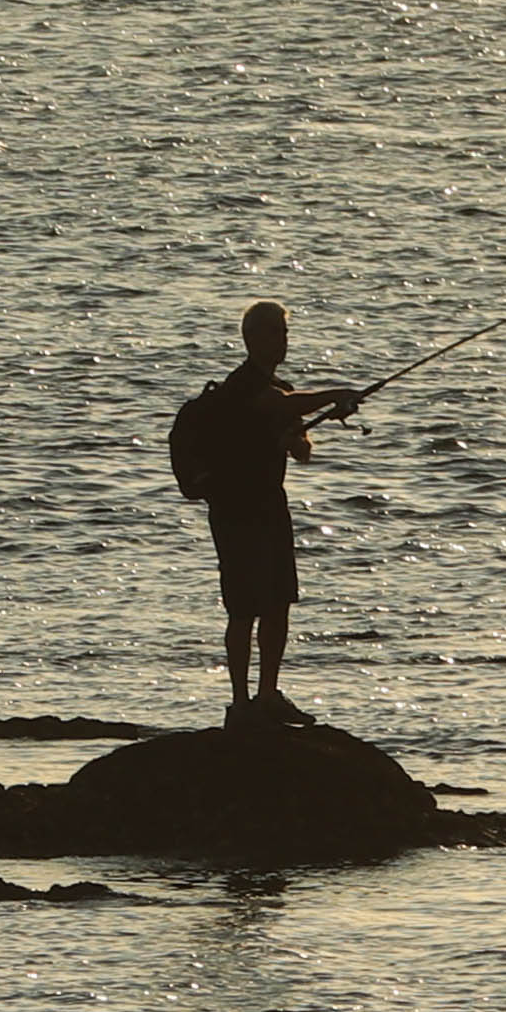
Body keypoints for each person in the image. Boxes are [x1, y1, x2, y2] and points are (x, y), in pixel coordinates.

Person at [165, 300, 360, 722]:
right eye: (274, 333)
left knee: (278, 604)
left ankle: (267, 695)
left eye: (284, 334)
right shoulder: (242, 387)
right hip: (236, 509)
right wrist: (335, 396)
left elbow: (300, 450)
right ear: (251, 339)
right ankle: (240, 703)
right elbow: (282, 406)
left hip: (271, 506)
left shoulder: (279, 391)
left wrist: (307, 427)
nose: (282, 341)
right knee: (243, 609)